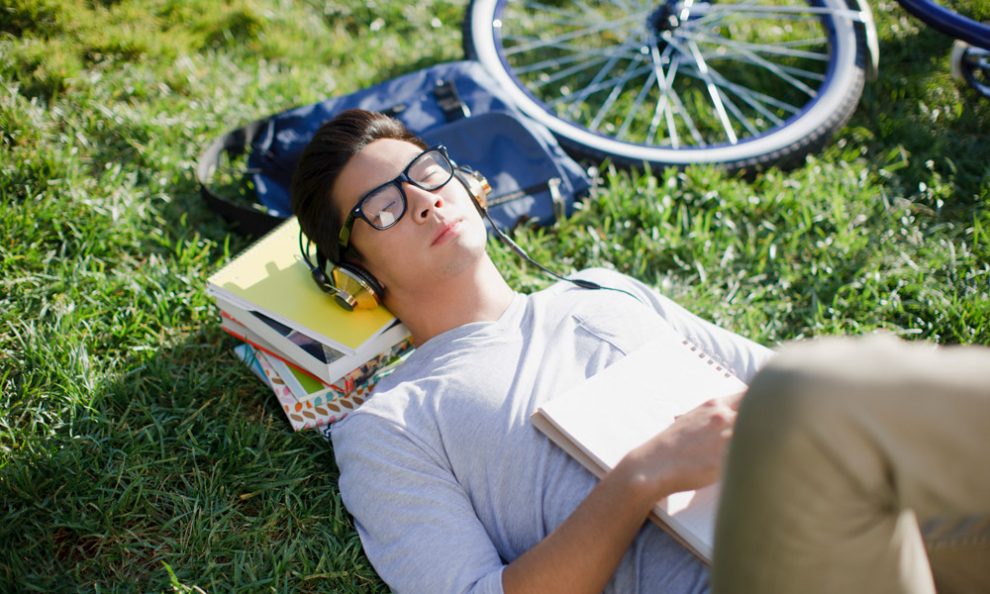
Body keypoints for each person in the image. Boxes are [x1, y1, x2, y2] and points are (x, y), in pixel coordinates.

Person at [291, 109, 990, 594]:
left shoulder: (603, 289)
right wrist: (641, 476)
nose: (420, 201)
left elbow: (787, 387)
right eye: (381, 208)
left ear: (471, 186)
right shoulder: (389, 424)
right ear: (358, 276)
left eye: (426, 173)